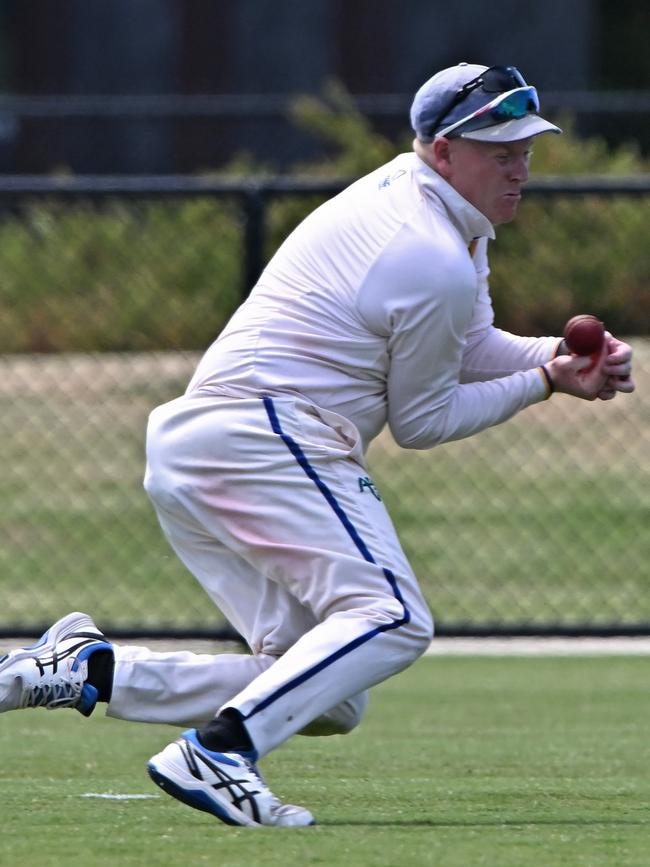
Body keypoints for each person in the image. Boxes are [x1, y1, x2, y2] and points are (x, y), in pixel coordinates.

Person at [0, 63, 635, 827]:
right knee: (393, 615)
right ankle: (220, 750)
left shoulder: (439, 219)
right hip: (264, 437)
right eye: (498, 150)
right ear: (440, 150)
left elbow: (467, 344)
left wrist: (551, 360)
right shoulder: (428, 251)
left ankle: (88, 670)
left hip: (204, 443)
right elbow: (424, 420)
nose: (519, 166)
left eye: (525, 147)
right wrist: (547, 385)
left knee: (330, 693)